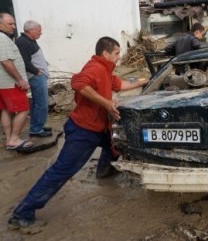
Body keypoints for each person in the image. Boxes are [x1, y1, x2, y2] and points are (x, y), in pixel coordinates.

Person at [8, 37, 148, 230]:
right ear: (106, 53)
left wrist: (145, 81)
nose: (119, 57)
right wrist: (106, 103)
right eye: (117, 53)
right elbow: (79, 83)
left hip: (100, 127)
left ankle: (104, 173)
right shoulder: (95, 68)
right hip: (84, 130)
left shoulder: (106, 70)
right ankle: (22, 213)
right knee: (62, 170)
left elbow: (119, 84)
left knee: (114, 146)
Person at [0, 13, 33, 151]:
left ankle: (9, 139)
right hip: (11, 83)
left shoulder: (4, 38)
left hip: (3, 84)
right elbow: (6, 62)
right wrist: (20, 80)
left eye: (14, 23)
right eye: (10, 24)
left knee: (5, 110)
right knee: (23, 109)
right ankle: (14, 139)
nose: (14, 26)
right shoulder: (2, 38)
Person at [16, 20, 52, 137]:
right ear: (30, 30)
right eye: (39, 30)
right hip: (36, 77)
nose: (40, 33)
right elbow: (24, 62)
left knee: (38, 103)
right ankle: (36, 129)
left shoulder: (29, 41)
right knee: (41, 103)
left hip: (38, 77)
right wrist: (37, 72)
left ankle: (37, 127)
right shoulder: (23, 42)